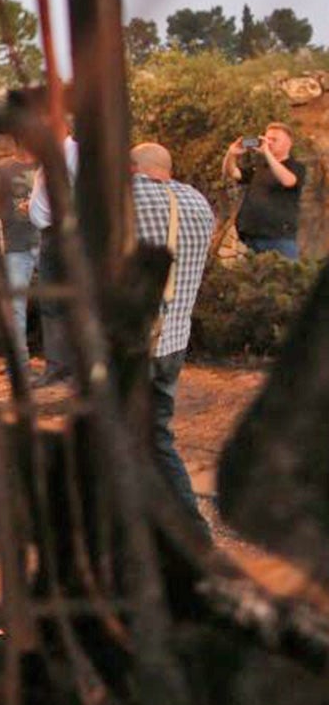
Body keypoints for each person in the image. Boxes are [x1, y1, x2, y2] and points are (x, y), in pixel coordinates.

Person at [130, 142, 215, 521]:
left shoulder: (126, 197)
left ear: (134, 168)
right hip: (175, 339)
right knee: (157, 435)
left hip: (132, 342)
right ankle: (190, 527)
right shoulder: (199, 203)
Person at [28, 127, 79, 384]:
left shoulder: (73, 152)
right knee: (50, 302)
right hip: (49, 236)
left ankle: (76, 368)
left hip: (69, 233)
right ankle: (56, 366)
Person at [224, 121, 306, 260]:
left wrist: (267, 153)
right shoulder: (260, 166)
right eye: (267, 139)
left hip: (279, 239)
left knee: (283, 280)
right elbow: (232, 173)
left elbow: (288, 181)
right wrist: (231, 154)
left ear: (289, 143)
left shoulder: (296, 166)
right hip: (250, 238)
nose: (269, 143)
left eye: (274, 140)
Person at [0, 143, 42, 358]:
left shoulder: (46, 164)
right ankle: (20, 364)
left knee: (56, 304)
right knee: (16, 306)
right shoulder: (2, 169)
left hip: (46, 242)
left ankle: (59, 363)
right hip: (16, 245)